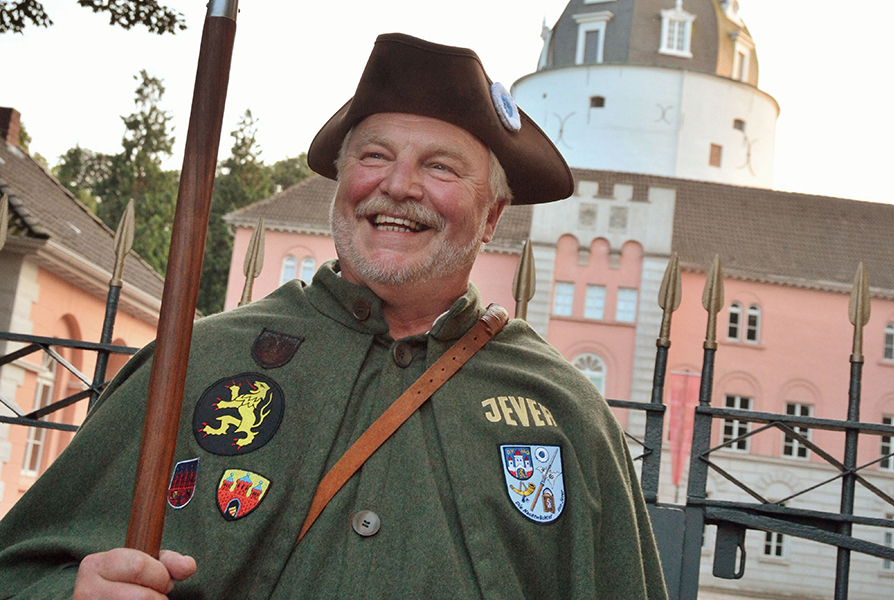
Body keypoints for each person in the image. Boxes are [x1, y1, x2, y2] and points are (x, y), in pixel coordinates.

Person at [0, 34, 668, 599]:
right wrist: (73, 591)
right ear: (342, 181)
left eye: (439, 166)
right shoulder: (195, 361)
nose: (397, 184)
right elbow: (21, 572)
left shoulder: (565, 415)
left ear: (492, 215)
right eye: (374, 155)